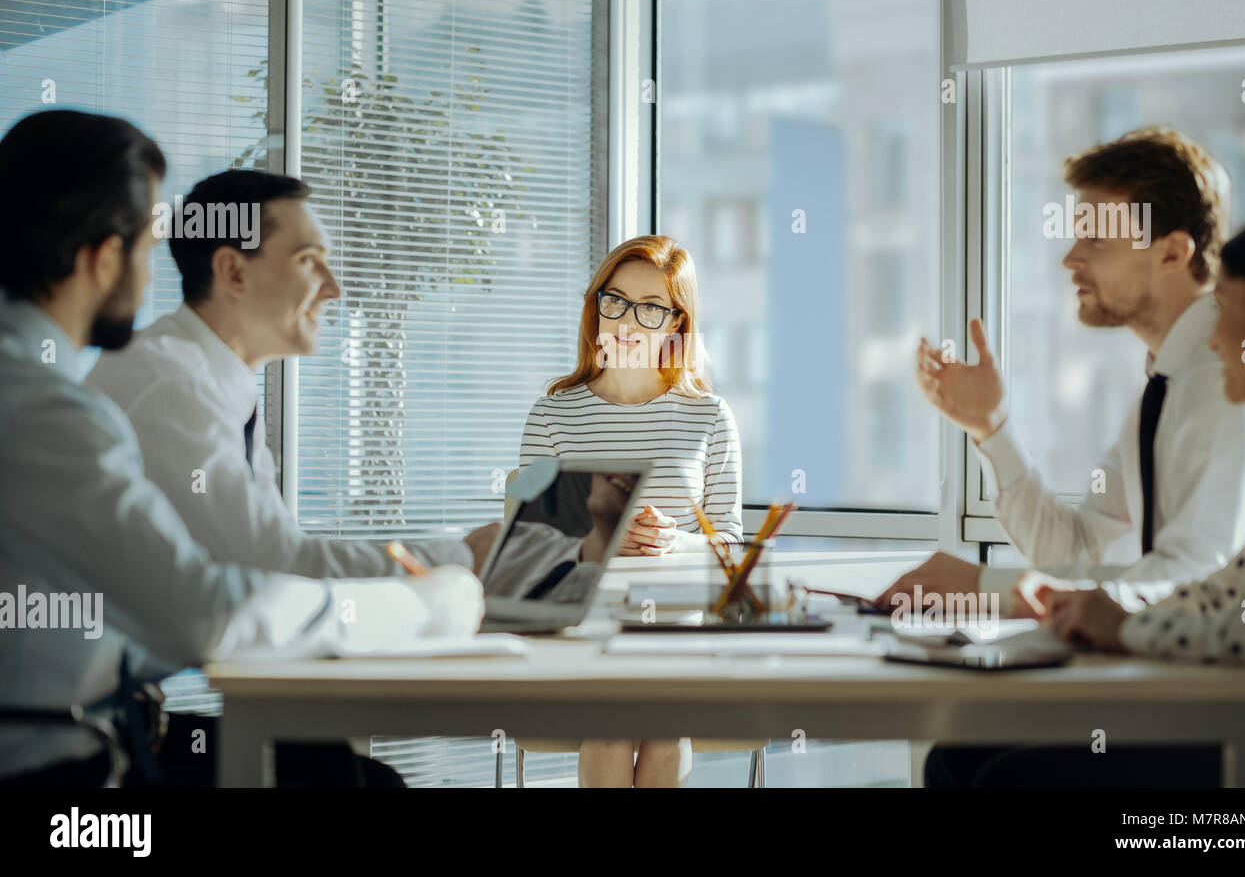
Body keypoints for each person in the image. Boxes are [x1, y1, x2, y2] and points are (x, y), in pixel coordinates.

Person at [0, 110, 483, 786]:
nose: (149, 279)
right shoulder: (61, 410)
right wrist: (420, 601)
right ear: (103, 257)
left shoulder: (54, 391)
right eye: (144, 249)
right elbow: (213, 610)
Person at [939, 200, 1245, 788]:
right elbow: (1221, 588)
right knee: (963, 760)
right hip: (1244, 725)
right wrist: (992, 430)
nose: (1214, 339)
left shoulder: (1219, 394)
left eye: (1226, 311)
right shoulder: (1166, 394)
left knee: (1010, 779)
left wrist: (1122, 624)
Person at [880, 127, 1245, 617]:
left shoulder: (1224, 377)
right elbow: (1076, 554)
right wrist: (992, 428)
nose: (1070, 258)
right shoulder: (1167, 384)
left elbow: (1191, 577)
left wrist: (986, 585)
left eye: (1095, 238)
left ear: (1173, 253)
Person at [86, 169, 501, 579]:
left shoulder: (221, 381)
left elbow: (277, 548)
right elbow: (273, 564)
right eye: (308, 260)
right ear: (233, 272)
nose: (333, 288)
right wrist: (459, 556)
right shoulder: (173, 384)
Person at [519, 234, 741, 786]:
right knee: (613, 723)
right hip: (583, 622)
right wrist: (601, 540)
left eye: (649, 309)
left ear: (676, 324)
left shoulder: (709, 417)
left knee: (662, 722)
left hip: (677, 624)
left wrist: (677, 542)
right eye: (613, 300)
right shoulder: (553, 415)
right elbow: (527, 550)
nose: (625, 321)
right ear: (596, 303)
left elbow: (731, 546)